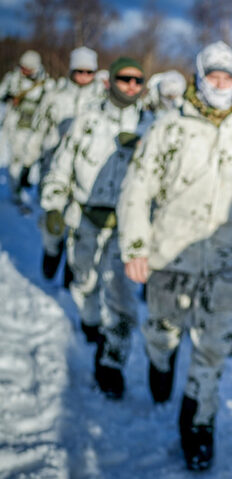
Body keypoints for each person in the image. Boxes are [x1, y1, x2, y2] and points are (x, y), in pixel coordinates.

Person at [117, 41, 232, 471]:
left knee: (212, 351)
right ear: (199, 77)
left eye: (227, 76)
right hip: (170, 258)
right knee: (162, 333)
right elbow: (136, 188)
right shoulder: (169, 127)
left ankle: (198, 425)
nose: (221, 83)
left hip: (226, 263)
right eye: (213, 75)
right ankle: (160, 361)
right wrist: (135, 247)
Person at [41, 57, 151, 395]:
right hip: (86, 219)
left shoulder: (152, 126)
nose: (131, 86)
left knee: (120, 298)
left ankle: (111, 362)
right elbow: (62, 165)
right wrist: (53, 205)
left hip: (126, 229)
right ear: (110, 81)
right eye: (124, 79)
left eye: (137, 80)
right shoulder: (88, 120)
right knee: (84, 281)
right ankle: (90, 322)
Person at [27, 46, 104, 280]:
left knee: (79, 227)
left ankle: (71, 272)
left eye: (89, 72)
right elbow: (39, 130)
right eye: (79, 71)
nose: (84, 77)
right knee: (52, 223)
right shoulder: (56, 97)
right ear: (72, 71)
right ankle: (51, 252)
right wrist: (30, 159)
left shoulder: (101, 100)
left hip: (85, 174)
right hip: (54, 168)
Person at [0, 50, 54, 206]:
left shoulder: (45, 82)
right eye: (22, 67)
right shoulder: (13, 79)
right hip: (16, 125)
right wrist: (10, 97)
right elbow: (2, 94)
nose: (24, 71)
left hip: (36, 127)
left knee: (32, 156)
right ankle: (16, 189)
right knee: (16, 158)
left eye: (28, 69)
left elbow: (51, 102)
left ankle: (25, 176)